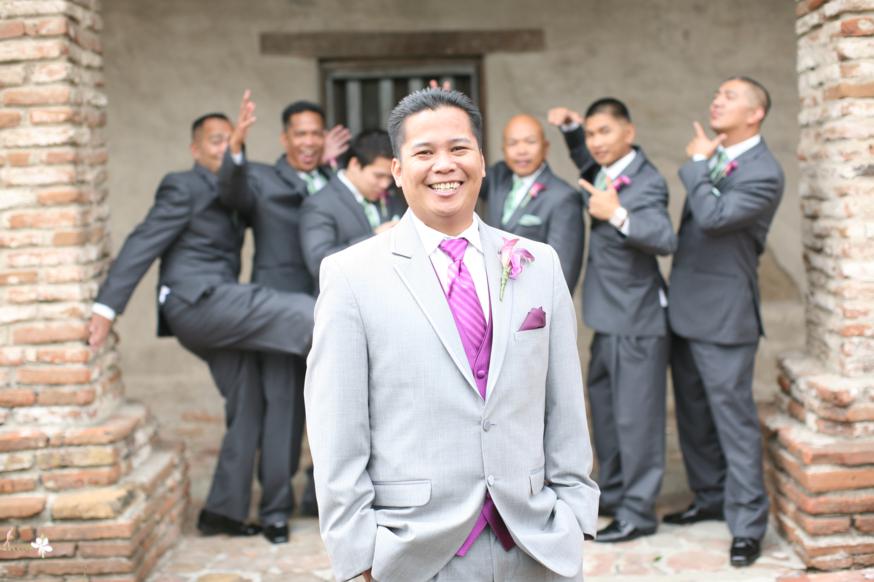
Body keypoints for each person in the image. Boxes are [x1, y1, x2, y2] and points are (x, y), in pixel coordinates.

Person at [305, 88, 599, 582]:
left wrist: (575, 515)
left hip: (536, 544)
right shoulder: (351, 275)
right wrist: (359, 553)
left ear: (481, 161)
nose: (445, 164)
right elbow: (337, 427)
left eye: (459, 148)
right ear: (397, 170)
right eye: (424, 152)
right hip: (414, 551)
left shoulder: (539, 264)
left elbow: (565, 401)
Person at [89, 112, 316, 540]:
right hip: (196, 300)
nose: (224, 148)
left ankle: (222, 512)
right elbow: (143, 241)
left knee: (249, 400)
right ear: (195, 150)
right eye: (215, 141)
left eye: (230, 141)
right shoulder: (183, 186)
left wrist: (329, 163)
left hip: (221, 314)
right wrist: (106, 308)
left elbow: (269, 187)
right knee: (308, 313)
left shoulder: (236, 190)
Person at [664, 76, 784, 567]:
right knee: (693, 414)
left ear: (756, 113)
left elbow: (714, 219)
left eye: (730, 96)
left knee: (733, 422)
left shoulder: (764, 171)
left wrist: (696, 164)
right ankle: (710, 496)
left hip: (727, 314)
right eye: (716, 93)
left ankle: (749, 524)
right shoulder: (716, 157)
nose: (717, 100)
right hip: (685, 308)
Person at [548, 99, 677, 543]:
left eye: (605, 131)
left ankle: (638, 513)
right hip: (607, 317)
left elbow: (664, 238)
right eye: (591, 134)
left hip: (638, 320)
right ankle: (616, 495)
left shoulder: (647, 179)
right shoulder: (604, 170)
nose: (596, 142)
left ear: (629, 132)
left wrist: (617, 214)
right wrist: (572, 131)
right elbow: (586, 161)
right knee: (604, 415)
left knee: (636, 422)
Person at [218, 92, 348, 525]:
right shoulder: (261, 178)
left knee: (336, 409)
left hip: (333, 311)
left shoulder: (336, 181)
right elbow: (231, 193)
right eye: (300, 134)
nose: (308, 142)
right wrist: (236, 146)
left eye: (315, 134)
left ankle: (319, 497)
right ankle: (275, 509)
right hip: (278, 313)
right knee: (283, 411)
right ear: (285, 138)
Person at [480, 114, 584, 292]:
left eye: (530, 142)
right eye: (513, 143)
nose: (521, 150)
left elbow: (563, 273)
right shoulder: (496, 177)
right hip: (490, 294)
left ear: (545, 147)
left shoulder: (563, 197)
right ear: (503, 149)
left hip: (532, 298)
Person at [299, 129, 405, 285]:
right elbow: (319, 264)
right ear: (354, 164)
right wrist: (375, 237)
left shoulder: (393, 196)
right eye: (378, 176)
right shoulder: (319, 204)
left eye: (389, 177)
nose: (385, 184)